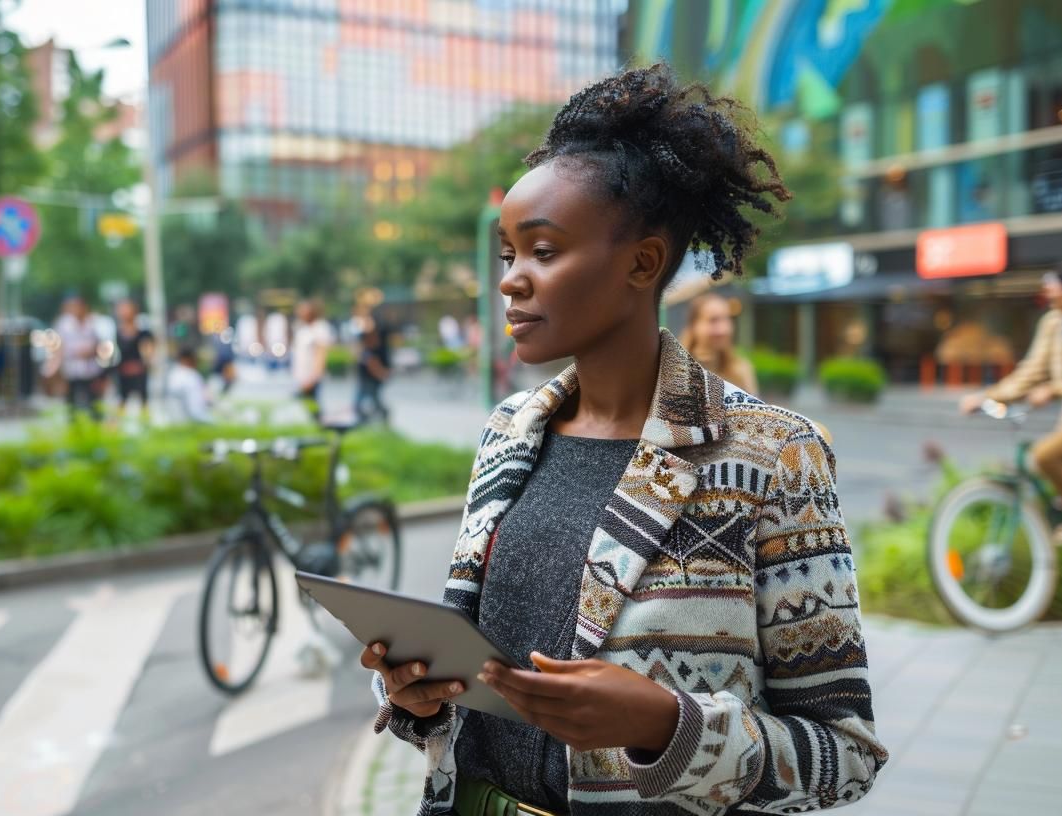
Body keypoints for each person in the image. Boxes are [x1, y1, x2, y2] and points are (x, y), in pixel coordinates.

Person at [360, 64, 884, 816]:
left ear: (641, 261)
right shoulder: (509, 433)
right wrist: (420, 696)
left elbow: (845, 757)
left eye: (542, 251)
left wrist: (664, 724)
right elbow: (476, 690)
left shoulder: (774, 455)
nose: (511, 280)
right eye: (508, 254)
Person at [961, 264, 1062, 511]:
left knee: (1044, 456)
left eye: (1057, 286)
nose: (1050, 291)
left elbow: (1057, 386)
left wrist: (1054, 389)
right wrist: (986, 396)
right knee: (1041, 469)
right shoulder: (1053, 324)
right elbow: (1031, 371)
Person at [679, 292, 758, 394]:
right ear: (694, 325)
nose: (724, 329)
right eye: (713, 320)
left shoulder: (740, 370)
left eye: (727, 319)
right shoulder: (678, 371)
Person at [54, 295, 103, 419]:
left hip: (91, 370)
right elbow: (59, 348)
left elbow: (100, 344)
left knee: (94, 404)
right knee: (72, 406)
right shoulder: (64, 324)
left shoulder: (93, 323)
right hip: (71, 370)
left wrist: (91, 351)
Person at [291, 299, 332, 412]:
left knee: (313, 407)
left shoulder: (320, 328)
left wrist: (313, 377)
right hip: (302, 377)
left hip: (311, 378)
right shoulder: (302, 328)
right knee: (306, 407)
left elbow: (321, 355)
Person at [114, 299, 154, 413]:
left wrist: (143, 363)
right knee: (121, 402)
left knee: (144, 403)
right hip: (122, 373)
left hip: (140, 373)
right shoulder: (115, 332)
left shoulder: (144, 333)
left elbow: (148, 354)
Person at [355, 315, 391, 423]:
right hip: (367, 376)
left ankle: (366, 420)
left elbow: (373, 361)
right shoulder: (363, 337)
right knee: (372, 399)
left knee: (360, 402)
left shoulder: (378, 337)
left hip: (372, 377)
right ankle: (380, 415)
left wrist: (381, 373)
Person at [165, 347, 213, 424]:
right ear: (188, 359)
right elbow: (195, 409)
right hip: (192, 423)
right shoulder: (191, 376)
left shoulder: (172, 374)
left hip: (173, 422)